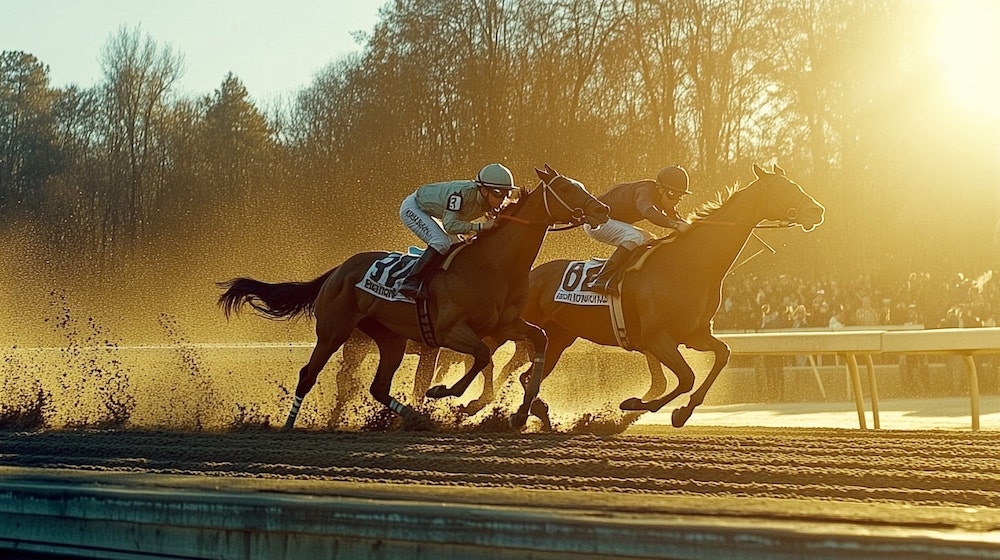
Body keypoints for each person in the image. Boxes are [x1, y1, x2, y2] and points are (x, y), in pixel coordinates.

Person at [397, 163, 518, 299]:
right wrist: (480, 227)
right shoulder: (460, 195)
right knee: (440, 242)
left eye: (507, 194)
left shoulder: (487, 200)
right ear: (484, 191)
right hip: (414, 208)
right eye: (499, 194)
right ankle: (410, 282)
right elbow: (450, 226)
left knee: (459, 245)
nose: (503, 200)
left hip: (437, 213)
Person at [584, 165, 693, 295]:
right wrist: (674, 225)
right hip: (596, 222)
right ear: (660, 188)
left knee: (649, 239)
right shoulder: (644, 190)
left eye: (679, 196)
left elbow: (674, 216)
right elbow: (647, 210)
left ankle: (625, 274)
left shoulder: (661, 196)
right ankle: (602, 279)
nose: (676, 201)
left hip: (610, 222)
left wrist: (692, 227)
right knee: (635, 237)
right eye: (672, 194)